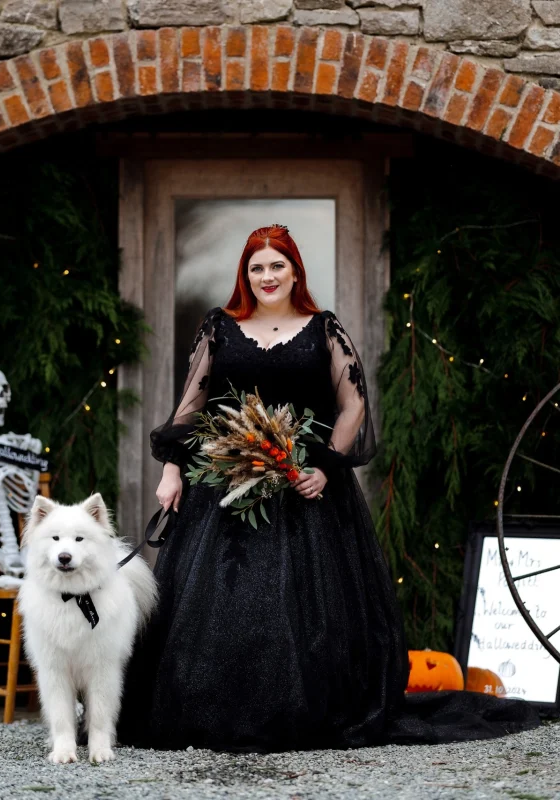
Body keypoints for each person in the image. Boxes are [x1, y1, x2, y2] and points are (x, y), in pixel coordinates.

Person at [117, 225, 539, 752]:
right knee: (219, 607)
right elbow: (191, 405)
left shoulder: (323, 328)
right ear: (244, 275)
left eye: (277, 265)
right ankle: (207, 712)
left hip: (305, 490)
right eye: (256, 267)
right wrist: (172, 470)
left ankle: (298, 713)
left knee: (301, 609)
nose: (267, 276)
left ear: (296, 270)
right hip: (222, 490)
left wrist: (328, 466)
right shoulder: (220, 327)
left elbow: (353, 403)